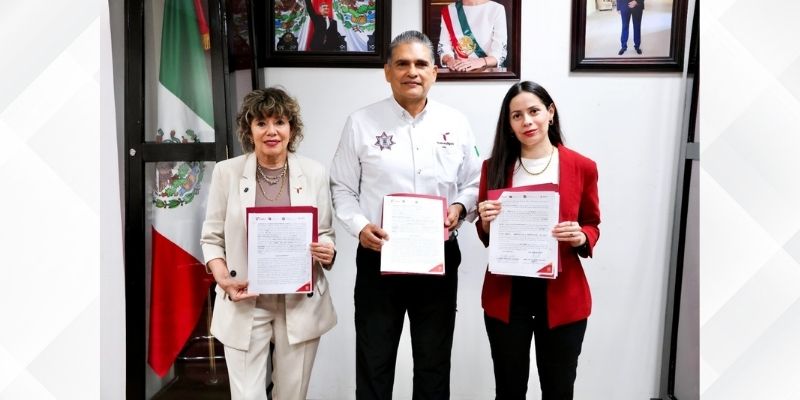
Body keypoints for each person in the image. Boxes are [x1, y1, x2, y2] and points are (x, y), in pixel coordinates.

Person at [329, 30, 481, 399]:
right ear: (387, 71)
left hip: (438, 259)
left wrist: (461, 207)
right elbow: (341, 188)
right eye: (402, 63)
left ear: (434, 72)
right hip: (379, 257)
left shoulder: (455, 122)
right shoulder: (361, 122)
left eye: (421, 64)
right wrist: (360, 227)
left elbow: (475, 182)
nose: (412, 71)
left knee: (433, 362)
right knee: (374, 361)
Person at [200, 87, 337, 400]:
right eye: (261, 123)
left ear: (292, 128)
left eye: (279, 122)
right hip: (245, 298)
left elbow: (325, 232)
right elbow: (211, 237)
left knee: (292, 395)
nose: (271, 131)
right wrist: (223, 278)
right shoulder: (226, 172)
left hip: (299, 302)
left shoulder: (314, 172)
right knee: (246, 396)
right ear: (249, 130)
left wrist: (327, 250)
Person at [476, 81, 601, 400]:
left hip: (562, 295)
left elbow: (592, 223)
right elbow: (485, 232)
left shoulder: (582, 166)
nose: (527, 121)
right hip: (507, 294)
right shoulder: (493, 166)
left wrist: (581, 236)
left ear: (550, 112)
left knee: (559, 391)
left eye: (534, 111)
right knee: (508, 391)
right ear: (509, 123)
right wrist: (486, 221)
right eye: (517, 115)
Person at [438, 0, 508, 72]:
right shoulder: (450, 10)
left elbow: (499, 53)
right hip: (459, 72)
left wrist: (480, 62)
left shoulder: (496, 9)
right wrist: (450, 61)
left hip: (489, 73)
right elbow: (444, 46)